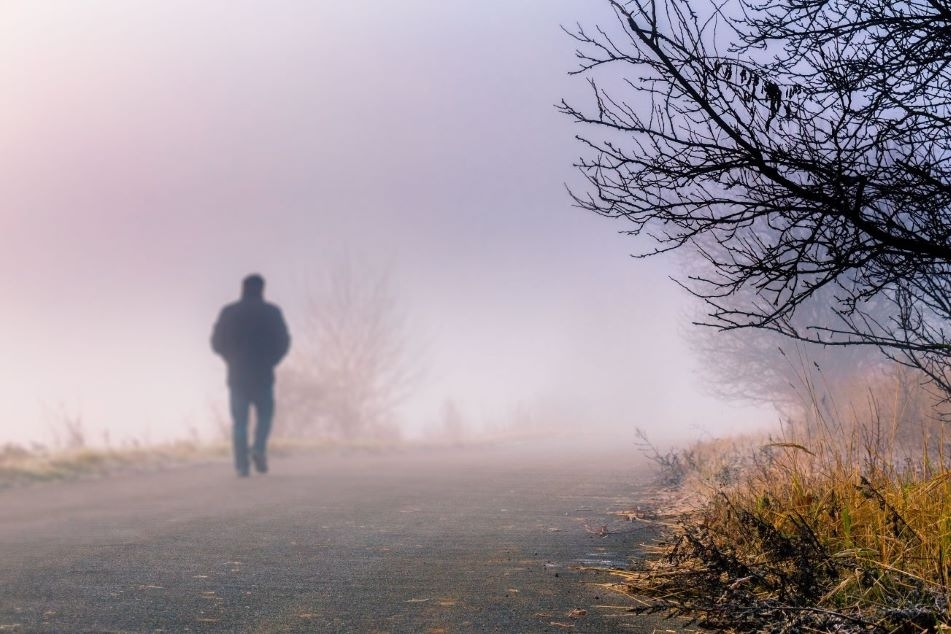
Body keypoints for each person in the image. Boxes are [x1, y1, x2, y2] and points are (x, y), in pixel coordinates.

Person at [211, 274, 290, 477]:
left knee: (240, 421)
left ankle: (241, 466)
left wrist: (230, 358)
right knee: (265, 416)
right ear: (262, 289)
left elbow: (216, 342)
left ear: (242, 288)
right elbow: (284, 341)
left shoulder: (229, 312)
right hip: (263, 373)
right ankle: (258, 448)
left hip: (238, 374)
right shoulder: (272, 312)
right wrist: (272, 360)